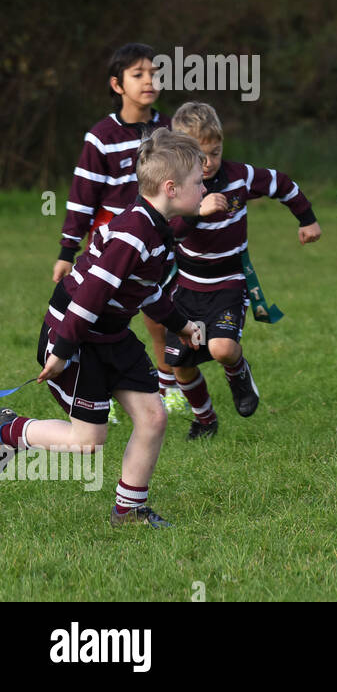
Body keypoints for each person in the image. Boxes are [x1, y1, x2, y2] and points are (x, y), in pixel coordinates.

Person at [1, 130, 206, 527]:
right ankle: (9, 428)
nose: (203, 188)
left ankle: (128, 512)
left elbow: (146, 292)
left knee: (153, 417)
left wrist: (181, 326)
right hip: (77, 335)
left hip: (110, 335)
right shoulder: (134, 231)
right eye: (198, 182)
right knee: (87, 444)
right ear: (171, 187)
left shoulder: (158, 228)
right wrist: (61, 350)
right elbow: (92, 294)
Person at [165, 102, 321, 439]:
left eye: (215, 152)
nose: (208, 162)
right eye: (198, 156)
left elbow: (283, 184)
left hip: (229, 283)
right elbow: (169, 230)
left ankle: (238, 374)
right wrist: (197, 212)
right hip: (186, 287)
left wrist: (306, 219)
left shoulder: (240, 178)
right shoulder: (174, 189)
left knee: (222, 348)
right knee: (181, 364)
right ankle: (205, 419)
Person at [52, 43, 186, 417]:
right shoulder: (101, 137)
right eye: (138, 74)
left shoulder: (169, 130)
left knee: (161, 312)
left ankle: (169, 383)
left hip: (162, 244)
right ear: (117, 84)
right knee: (99, 314)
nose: (149, 81)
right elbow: (82, 197)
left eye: (155, 74)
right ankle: (95, 391)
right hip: (115, 247)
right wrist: (67, 250)